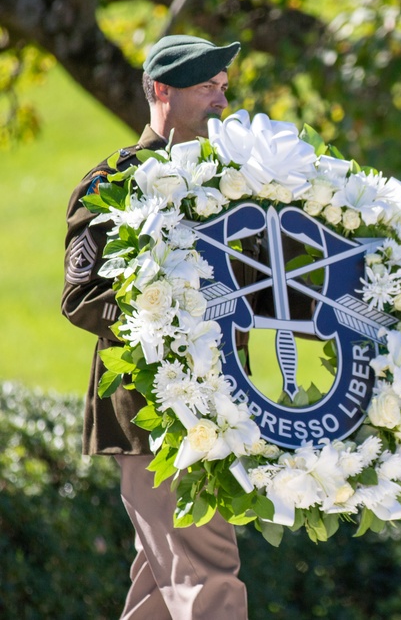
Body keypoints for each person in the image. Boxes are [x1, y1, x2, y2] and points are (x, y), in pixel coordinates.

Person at [62, 34, 248, 619]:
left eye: (222, 88)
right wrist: (173, 316)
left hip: (220, 404)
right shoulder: (114, 183)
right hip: (154, 411)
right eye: (204, 88)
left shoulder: (237, 183)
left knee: (161, 590)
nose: (220, 101)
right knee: (207, 574)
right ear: (161, 90)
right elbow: (82, 296)